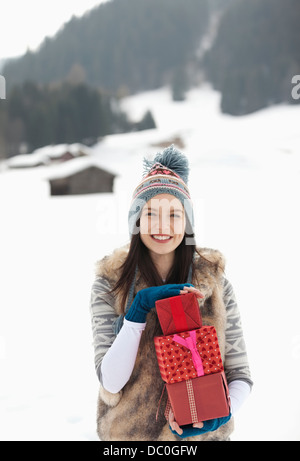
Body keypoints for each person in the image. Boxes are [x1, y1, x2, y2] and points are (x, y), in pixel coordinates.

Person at [90, 145, 253, 441]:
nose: (162, 226)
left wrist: (223, 415)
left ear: (187, 222)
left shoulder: (214, 284)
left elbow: (239, 374)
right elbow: (111, 382)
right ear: (136, 220)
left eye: (174, 215)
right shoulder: (110, 283)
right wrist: (136, 314)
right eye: (150, 212)